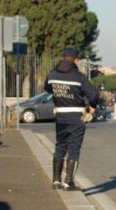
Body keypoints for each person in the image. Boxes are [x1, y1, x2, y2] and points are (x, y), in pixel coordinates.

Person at [44, 48, 99, 191]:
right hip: (76, 117)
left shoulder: (52, 74)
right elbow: (93, 95)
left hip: (60, 116)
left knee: (60, 146)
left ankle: (56, 180)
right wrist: (91, 108)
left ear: (62, 58)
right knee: (74, 148)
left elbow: (48, 89)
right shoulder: (79, 77)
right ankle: (69, 182)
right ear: (75, 60)